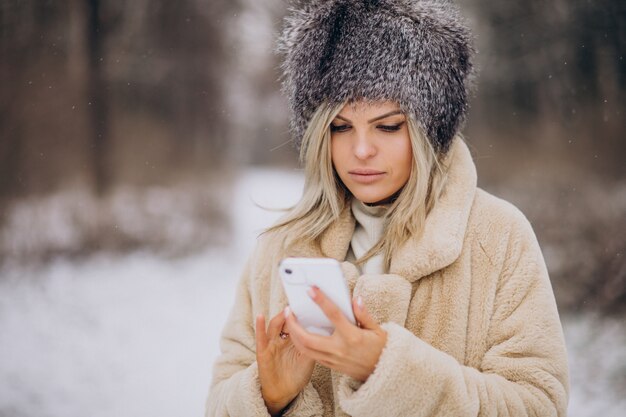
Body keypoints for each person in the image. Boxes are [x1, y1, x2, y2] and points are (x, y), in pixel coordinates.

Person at [206, 1, 570, 416]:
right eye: (340, 127)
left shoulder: (498, 237)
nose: (361, 150)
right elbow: (220, 398)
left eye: (388, 126)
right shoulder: (281, 247)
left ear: (428, 129)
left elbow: (538, 404)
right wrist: (269, 397)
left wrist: (388, 371)